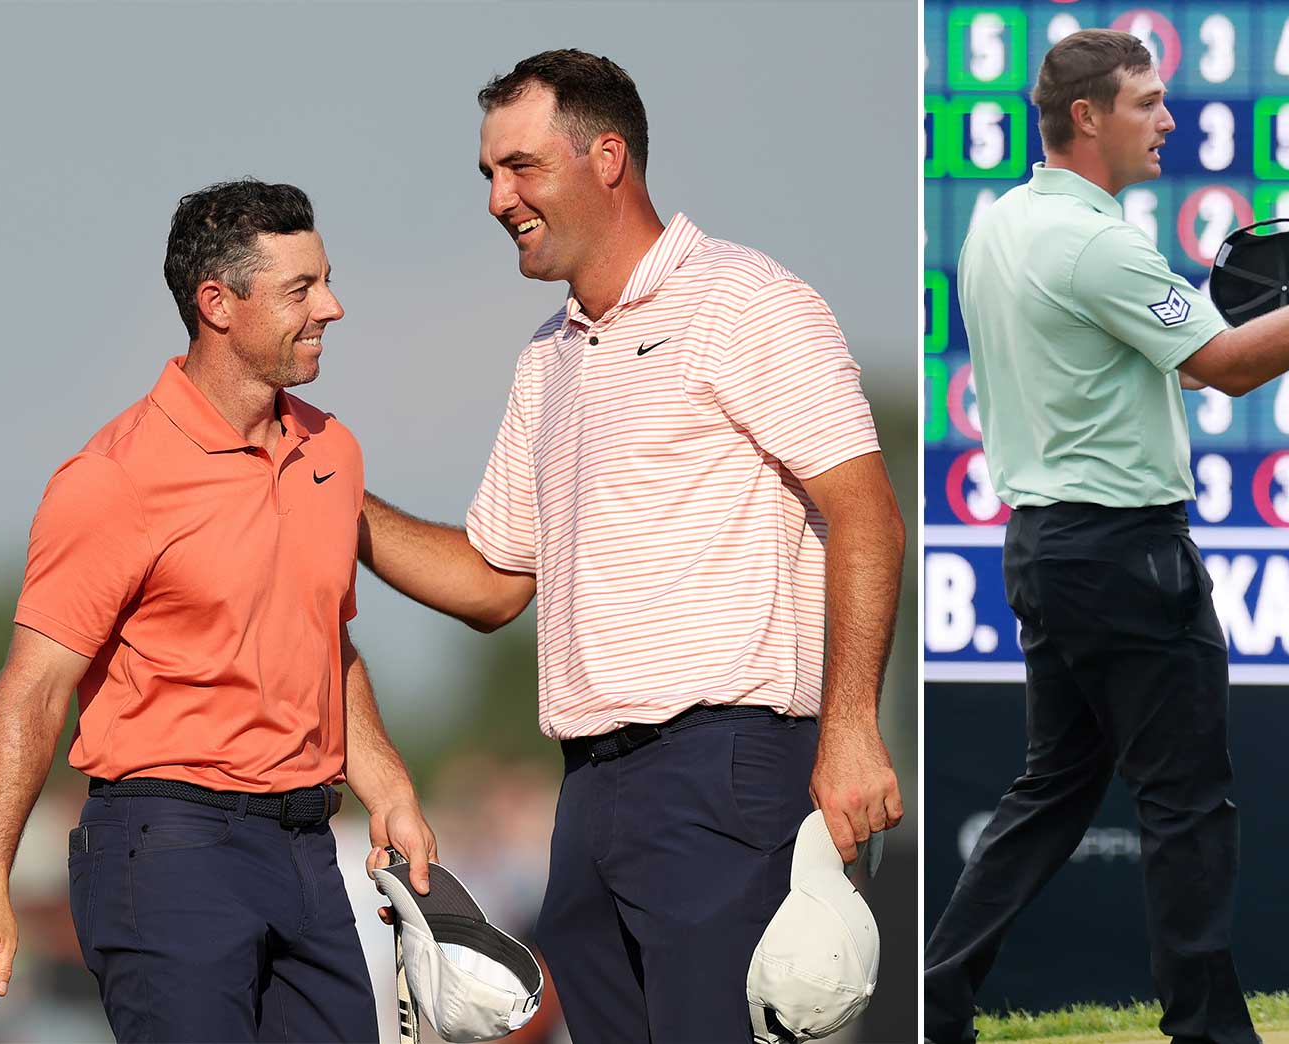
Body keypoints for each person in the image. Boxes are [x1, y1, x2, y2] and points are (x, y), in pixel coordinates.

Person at [922, 28, 1289, 1044]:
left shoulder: (997, 225)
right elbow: (1224, 365)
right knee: (1185, 804)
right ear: (1086, 117)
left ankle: (935, 1000)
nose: (1167, 120)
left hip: (1041, 546)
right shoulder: (1094, 240)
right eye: (1146, 102)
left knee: (1051, 791)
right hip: (1126, 556)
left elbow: (1183, 353)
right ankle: (1207, 1034)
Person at [356, 50, 906, 1043]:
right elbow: (490, 581)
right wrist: (331, 504)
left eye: (520, 167)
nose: (497, 198)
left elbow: (864, 509)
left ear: (606, 157)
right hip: (591, 791)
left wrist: (854, 729)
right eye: (487, 174)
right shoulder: (547, 354)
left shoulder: (747, 300)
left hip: (728, 769)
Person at [0, 179, 438, 1042]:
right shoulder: (114, 477)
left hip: (308, 849)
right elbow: (34, 689)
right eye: (301, 290)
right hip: (168, 848)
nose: (332, 308)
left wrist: (387, 785)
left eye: (327, 280)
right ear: (218, 304)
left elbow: (324, 643)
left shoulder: (331, 449)